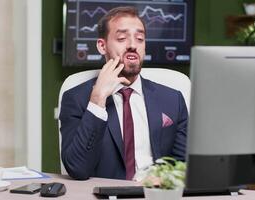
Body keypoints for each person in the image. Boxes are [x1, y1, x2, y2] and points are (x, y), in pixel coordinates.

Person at [59, 6, 188, 180]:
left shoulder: (173, 99)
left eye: (140, 38)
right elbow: (77, 169)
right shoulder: (75, 98)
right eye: (122, 38)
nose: (133, 45)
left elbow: (182, 166)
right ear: (102, 46)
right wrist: (97, 101)